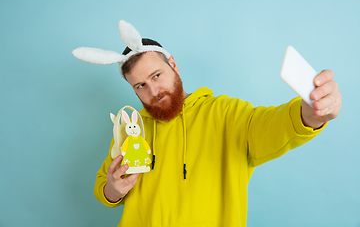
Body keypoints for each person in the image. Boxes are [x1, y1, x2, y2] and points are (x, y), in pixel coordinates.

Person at [85, 21, 342, 227]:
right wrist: (113, 189)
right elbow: (103, 188)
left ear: (172, 64)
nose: (153, 90)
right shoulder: (131, 126)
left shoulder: (227, 113)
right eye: (140, 85)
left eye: (157, 75)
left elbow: (271, 126)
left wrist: (309, 113)